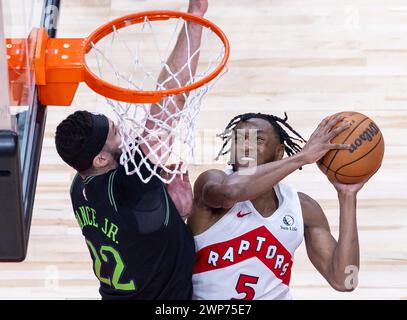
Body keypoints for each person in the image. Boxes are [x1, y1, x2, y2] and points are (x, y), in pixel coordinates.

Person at [54, 0, 207, 300]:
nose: (121, 130)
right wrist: (195, 17)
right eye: (113, 133)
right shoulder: (130, 185)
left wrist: (171, 212)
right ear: (99, 159)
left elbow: (135, 234)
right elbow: (170, 101)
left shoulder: (80, 187)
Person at [188, 112, 374, 300]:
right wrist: (302, 157)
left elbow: (344, 280)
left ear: (279, 152)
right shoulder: (211, 182)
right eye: (238, 139)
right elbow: (231, 192)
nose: (245, 146)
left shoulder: (302, 207)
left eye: (257, 139)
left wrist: (347, 196)